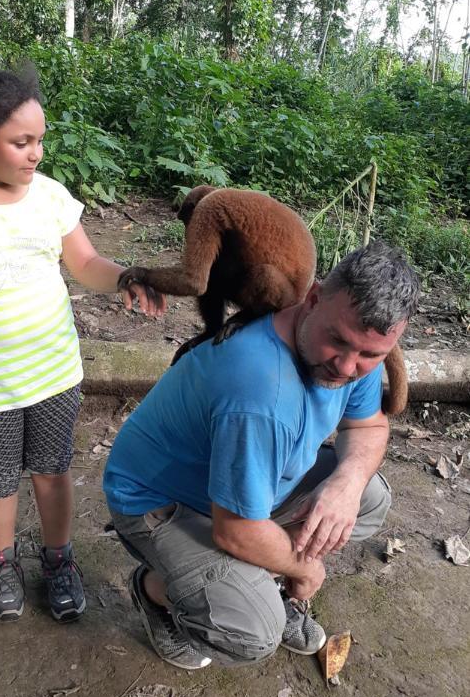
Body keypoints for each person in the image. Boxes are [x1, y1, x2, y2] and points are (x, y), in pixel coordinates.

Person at [0, 66, 165, 625]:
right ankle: (2, 564)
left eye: (39, 140)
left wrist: (126, 276)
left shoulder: (50, 198)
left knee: (51, 468)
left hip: (54, 373)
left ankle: (58, 561)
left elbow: (86, 262)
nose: (36, 153)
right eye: (21, 142)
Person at [103, 241, 419, 669]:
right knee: (254, 629)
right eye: (337, 342)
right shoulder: (260, 393)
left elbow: (368, 426)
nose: (347, 368)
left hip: (244, 490)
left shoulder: (352, 348)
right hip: (158, 502)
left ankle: (251, 576)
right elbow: (235, 530)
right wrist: (304, 571)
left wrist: (346, 484)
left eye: (370, 356)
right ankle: (155, 590)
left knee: (367, 497)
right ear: (312, 299)